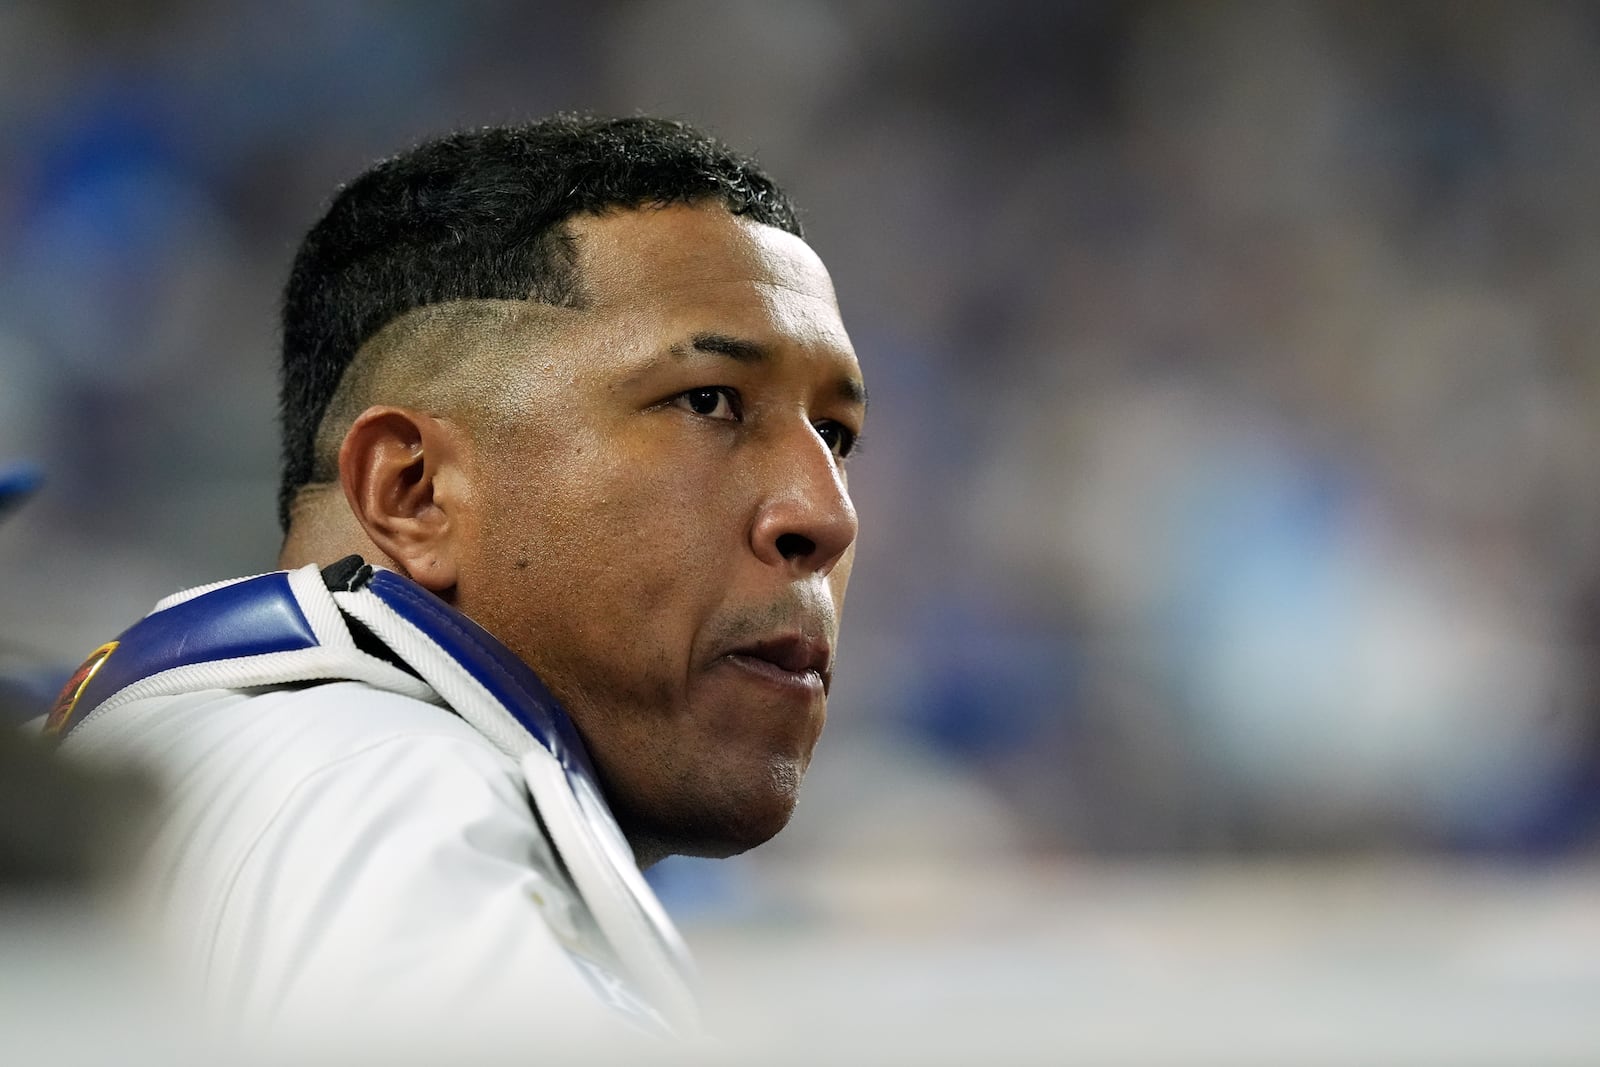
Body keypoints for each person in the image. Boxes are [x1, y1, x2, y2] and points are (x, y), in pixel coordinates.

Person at [43, 116, 867, 1045]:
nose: (825, 515)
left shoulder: (206, 741)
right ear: (413, 490)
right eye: (707, 401)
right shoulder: (397, 794)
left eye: (836, 435)